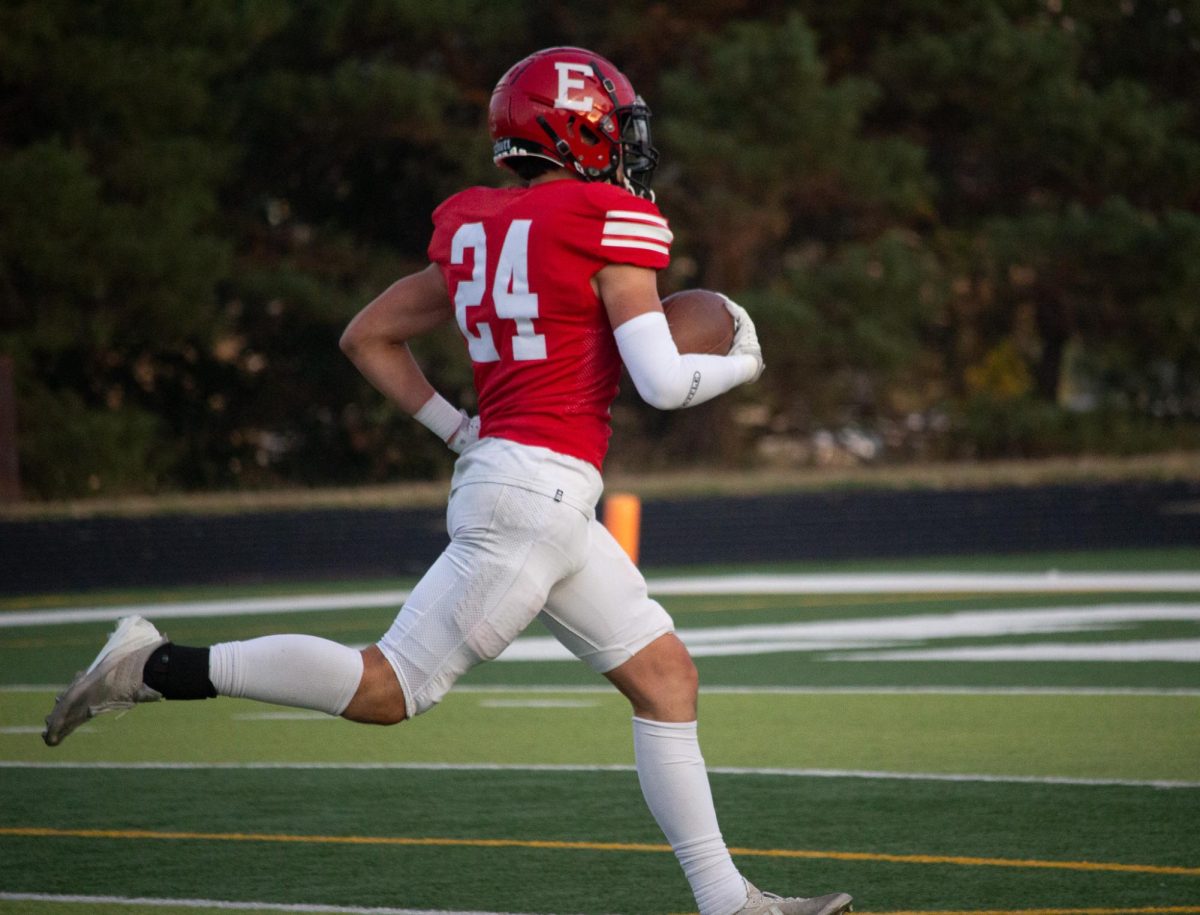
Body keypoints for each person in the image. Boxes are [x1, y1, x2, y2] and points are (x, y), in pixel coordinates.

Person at [43, 46, 853, 915]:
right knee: (388, 686)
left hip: (529, 487)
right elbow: (659, 382)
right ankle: (154, 665)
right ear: (577, 129)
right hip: (537, 496)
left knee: (665, 678)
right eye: (613, 126)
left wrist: (458, 430)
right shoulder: (607, 218)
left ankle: (730, 902)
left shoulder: (475, 227)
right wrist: (742, 361)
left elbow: (366, 335)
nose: (624, 145)